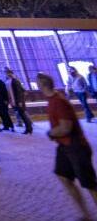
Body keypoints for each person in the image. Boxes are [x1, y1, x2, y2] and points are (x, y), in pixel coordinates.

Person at [39, 72, 97, 218]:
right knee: (63, 176)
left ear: (42, 85)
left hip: (76, 146)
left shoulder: (58, 102)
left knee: (90, 184)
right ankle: (85, 214)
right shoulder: (53, 100)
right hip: (64, 147)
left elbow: (66, 127)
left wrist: (51, 133)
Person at [6, 69, 32, 134]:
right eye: (8, 73)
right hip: (15, 101)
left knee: (23, 115)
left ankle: (28, 129)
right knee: (22, 114)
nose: (9, 74)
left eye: (10, 73)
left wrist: (20, 101)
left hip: (19, 101)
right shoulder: (10, 81)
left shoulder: (15, 81)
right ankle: (29, 128)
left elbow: (19, 92)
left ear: (12, 73)